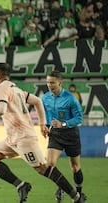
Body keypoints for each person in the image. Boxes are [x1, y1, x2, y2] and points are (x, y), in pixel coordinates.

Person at [0, 63, 85, 203]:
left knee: (44, 169)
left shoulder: (1, 88)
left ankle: (76, 197)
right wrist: (43, 123)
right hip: (12, 138)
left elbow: (1, 109)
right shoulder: (14, 89)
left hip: (23, 138)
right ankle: (21, 185)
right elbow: (37, 101)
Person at [42, 71, 85, 203]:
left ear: (60, 83)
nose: (49, 85)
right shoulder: (45, 98)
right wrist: (44, 125)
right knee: (49, 164)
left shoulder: (71, 98)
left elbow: (79, 118)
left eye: (52, 82)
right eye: (48, 82)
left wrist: (63, 124)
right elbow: (45, 114)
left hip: (71, 134)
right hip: (55, 134)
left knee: (75, 167)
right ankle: (62, 187)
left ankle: (79, 192)